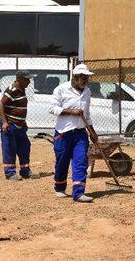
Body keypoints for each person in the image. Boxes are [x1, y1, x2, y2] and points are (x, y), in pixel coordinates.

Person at [49, 64, 95, 203]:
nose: (85, 80)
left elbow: (86, 115)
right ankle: (59, 187)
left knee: (81, 161)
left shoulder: (87, 92)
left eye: (87, 78)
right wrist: (71, 111)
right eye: (82, 77)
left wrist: (92, 131)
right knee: (62, 161)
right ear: (74, 78)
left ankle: (78, 193)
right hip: (63, 132)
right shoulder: (61, 89)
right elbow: (52, 108)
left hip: (81, 133)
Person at [0, 70, 34, 180]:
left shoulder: (21, 90)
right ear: (19, 79)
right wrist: (4, 122)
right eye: (26, 79)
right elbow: (0, 104)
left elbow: (19, 108)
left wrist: (23, 122)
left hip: (20, 126)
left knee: (25, 146)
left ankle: (25, 171)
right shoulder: (11, 90)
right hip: (10, 124)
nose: (29, 81)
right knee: (10, 148)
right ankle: (10, 173)